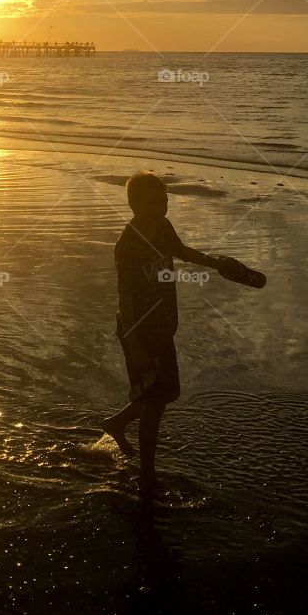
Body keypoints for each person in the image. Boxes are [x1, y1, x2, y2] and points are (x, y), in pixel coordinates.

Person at [101, 171, 225, 498]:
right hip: (140, 332)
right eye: (157, 202)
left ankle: (116, 424)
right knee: (155, 402)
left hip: (164, 325)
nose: (164, 207)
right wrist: (136, 345)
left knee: (162, 392)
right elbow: (125, 299)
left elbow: (181, 251)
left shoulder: (163, 228)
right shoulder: (127, 245)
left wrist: (216, 262)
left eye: (166, 201)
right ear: (136, 205)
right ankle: (148, 477)